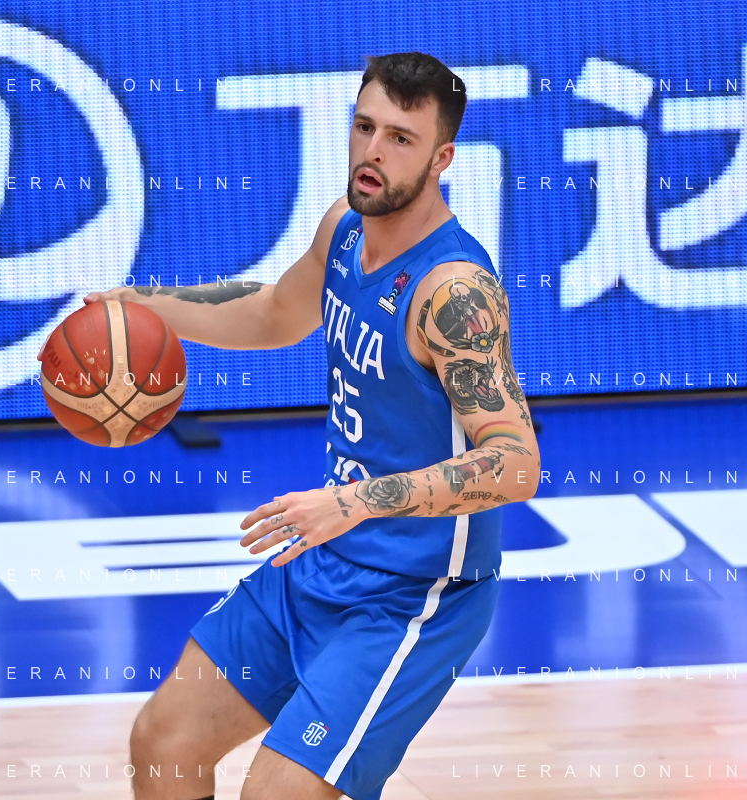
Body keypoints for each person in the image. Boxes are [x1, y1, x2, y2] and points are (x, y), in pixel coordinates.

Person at [84, 51, 540, 800]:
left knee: (278, 793)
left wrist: (353, 503)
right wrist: (150, 307)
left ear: (442, 159)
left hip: (414, 591)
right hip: (323, 555)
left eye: (400, 138)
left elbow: (515, 463)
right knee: (164, 741)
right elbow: (275, 312)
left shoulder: (453, 293)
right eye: (364, 127)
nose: (372, 151)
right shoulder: (345, 229)